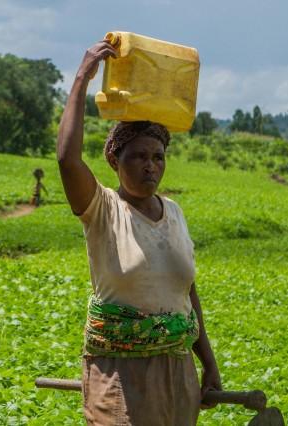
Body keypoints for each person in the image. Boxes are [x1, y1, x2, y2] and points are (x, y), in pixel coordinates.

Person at [57, 39, 221, 425]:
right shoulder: (101, 208)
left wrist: (208, 364)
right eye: (139, 156)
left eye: (158, 157)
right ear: (115, 159)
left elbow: (186, 293)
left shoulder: (175, 213)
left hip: (176, 373)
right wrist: (83, 77)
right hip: (118, 375)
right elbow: (67, 159)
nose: (151, 166)